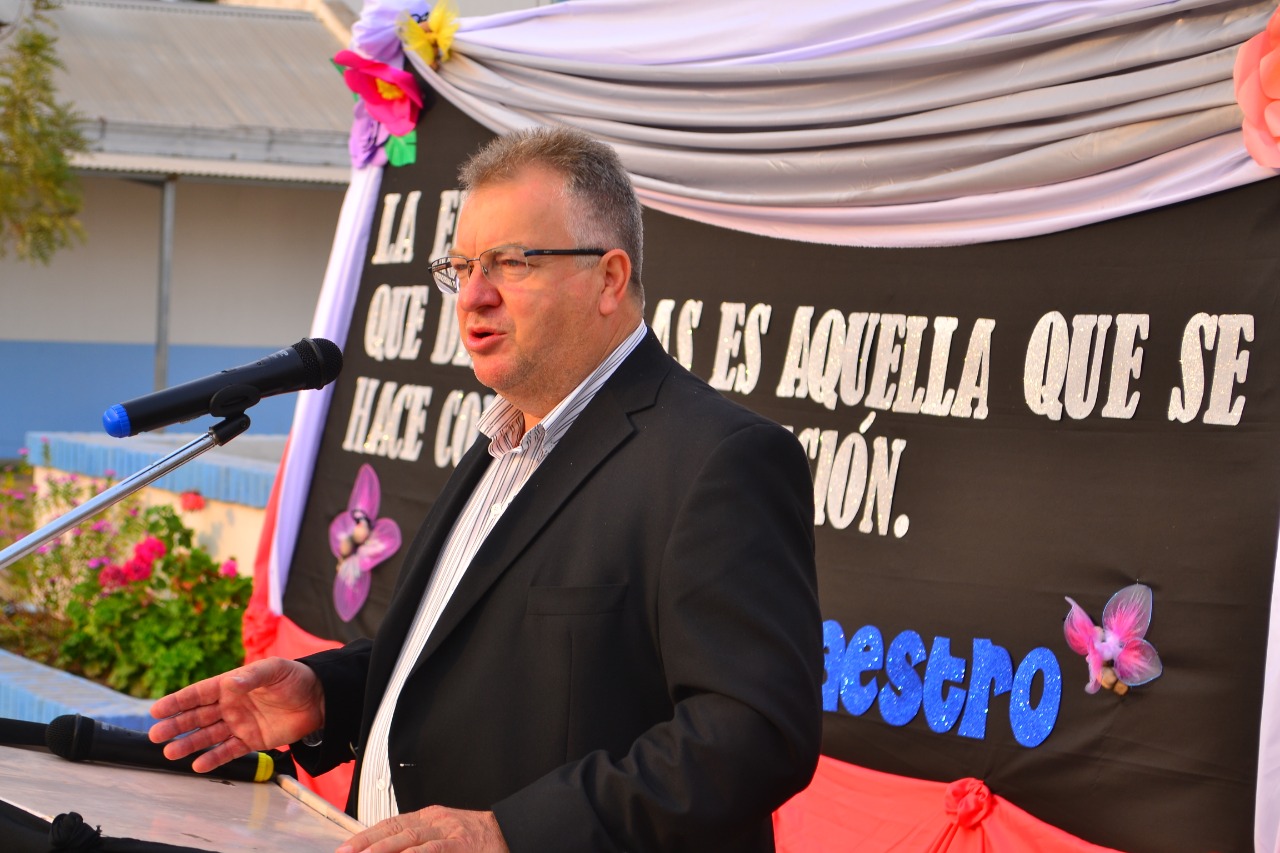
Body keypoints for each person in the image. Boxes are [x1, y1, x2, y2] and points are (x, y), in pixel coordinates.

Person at [148, 127, 823, 853]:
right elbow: (481, 653)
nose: (473, 296)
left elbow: (753, 735)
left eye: (511, 262)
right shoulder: (502, 438)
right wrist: (327, 693)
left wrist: (511, 834)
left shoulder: (718, 458)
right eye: (462, 266)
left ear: (609, 278)